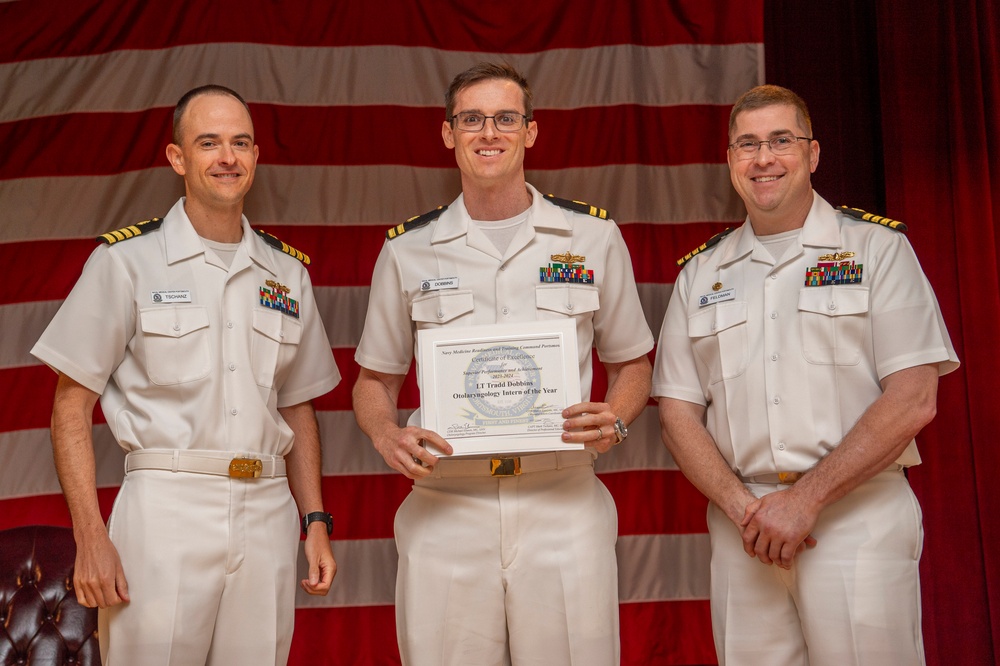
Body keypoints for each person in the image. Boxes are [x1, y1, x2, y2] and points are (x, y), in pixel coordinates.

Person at [352, 62, 653, 665]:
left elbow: (633, 363)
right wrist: (386, 434)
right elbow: (374, 381)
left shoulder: (590, 237)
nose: (489, 132)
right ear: (448, 134)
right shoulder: (407, 249)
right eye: (472, 119)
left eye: (505, 118)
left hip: (562, 499)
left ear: (530, 132)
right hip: (446, 503)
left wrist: (615, 419)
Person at [30, 85, 340, 665]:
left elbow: (296, 405)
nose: (228, 157)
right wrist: (90, 535)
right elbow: (69, 406)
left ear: (255, 156)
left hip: (268, 510)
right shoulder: (125, 262)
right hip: (167, 507)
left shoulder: (287, 274)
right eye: (209, 143)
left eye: (241, 142)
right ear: (178, 159)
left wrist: (314, 520)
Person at [652, 84, 959, 665]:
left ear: (813, 154)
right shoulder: (700, 274)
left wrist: (805, 501)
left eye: (780, 141)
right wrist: (748, 511)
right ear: (730, 161)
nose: (763, 158)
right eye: (747, 144)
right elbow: (676, 415)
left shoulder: (877, 249)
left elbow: (915, 397)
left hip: (856, 517)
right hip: (743, 526)